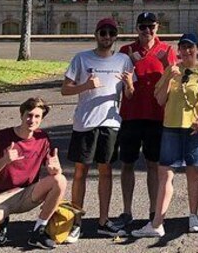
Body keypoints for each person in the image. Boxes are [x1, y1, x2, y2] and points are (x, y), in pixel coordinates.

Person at [132, 33, 198, 239]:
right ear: (178, 51)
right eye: (183, 47)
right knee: (165, 174)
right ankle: (157, 223)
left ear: (197, 49)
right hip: (172, 126)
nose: (187, 51)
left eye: (191, 47)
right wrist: (168, 79)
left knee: (194, 173)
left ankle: (193, 216)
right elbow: (160, 99)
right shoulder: (172, 70)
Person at [61, 17, 134, 242]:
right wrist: (85, 86)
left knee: (106, 171)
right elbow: (65, 89)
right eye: (103, 32)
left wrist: (130, 84)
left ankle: (103, 220)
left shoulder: (123, 60)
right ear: (96, 34)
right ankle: (76, 222)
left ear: (115, 37)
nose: (107, 37)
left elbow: (129, 95)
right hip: (85, 123)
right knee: (80, 172)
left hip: (110, 123)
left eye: (111, 33)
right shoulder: (81, 59)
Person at [0, 97, 66, 250]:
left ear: (41, 119)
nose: (32, 120)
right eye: (29, 115)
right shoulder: (2, 137)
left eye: (37, 116)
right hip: (1, 197)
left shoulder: (42, 138)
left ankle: (38, 231)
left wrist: (56, 169)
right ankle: (1, 222)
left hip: (27, 194)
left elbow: (53, 168)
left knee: (60, 180)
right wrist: (4, 160)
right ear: (22, 115)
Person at [113, 11, 175, 230]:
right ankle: (127, 210)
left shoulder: (166, 50)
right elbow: (118, 84)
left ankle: (153, 210)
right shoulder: (125, 51)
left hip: (157, 116)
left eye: (151, 27)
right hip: (131, 114)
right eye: (143, 27)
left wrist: (168, 64)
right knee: (127, 163)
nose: (147, 31)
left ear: (158, 27)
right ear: (137, 28)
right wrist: (129, 63)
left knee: (153, 164)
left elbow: (175, 82)